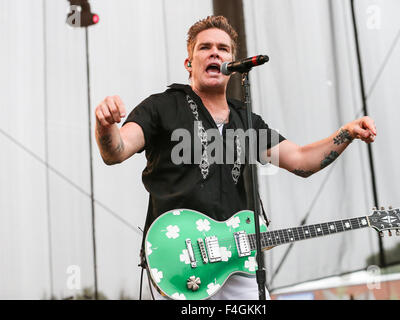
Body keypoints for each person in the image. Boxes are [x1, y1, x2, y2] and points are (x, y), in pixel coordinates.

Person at [94, 16, 376, 300]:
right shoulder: (161, 107)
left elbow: (302, 161)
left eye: (223, 48)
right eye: (205, 47)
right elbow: (116, 151)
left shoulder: (248, 121)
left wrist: (346, 133)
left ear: (232, 62)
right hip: (180, 260)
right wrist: (105, 126)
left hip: (237, 262)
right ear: (189, 63)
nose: (215, 52)